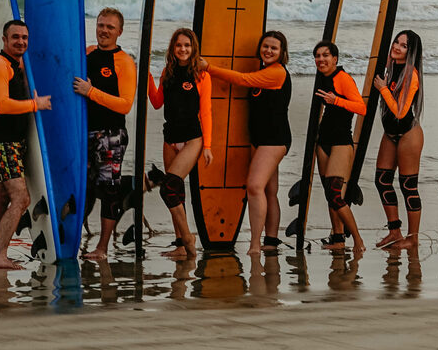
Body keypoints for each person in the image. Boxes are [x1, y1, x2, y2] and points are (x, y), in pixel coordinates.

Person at [200, 30, 293, 255]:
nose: (268, 50)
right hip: (260, 139)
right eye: (265, 46)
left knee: (254, 186)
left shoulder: (277, 73)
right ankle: (271, 240)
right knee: (269, 190)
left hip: (274, 139)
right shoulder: (264, 70)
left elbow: (243, 80)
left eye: (274, 48)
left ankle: (254, 245)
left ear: (282, 53)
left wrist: (208, 68)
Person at [0, 19, 52, 270]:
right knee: (21, 199)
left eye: (24, 37)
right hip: (4, 143)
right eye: (15, 37)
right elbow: (2, 105)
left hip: (14, 142)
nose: (20, 41)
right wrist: (36, 104)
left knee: (1, 199)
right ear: (4, 40)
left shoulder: (17, 65)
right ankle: (1, 256)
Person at [71, 7, 135, 260]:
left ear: (119, 31)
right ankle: (71, 240)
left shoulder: (125, 62)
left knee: (109, 190)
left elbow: (125, 104)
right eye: (100, 25)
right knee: (81, 188)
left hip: (112, 134)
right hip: (83, 132)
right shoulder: (86, 53)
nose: (104, 30)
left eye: (110, 27)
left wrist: (91, 91)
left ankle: (102, 248)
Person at [147, 27, 213, 259]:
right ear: (172, 48)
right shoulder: (168, 71)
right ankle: (181, 245)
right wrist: (146, 75)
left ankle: (188, 239)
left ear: (193, 48)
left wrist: (207, 146)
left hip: (192, 137)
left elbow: (206, 112)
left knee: (169, 187)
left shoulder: (201, 75)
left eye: (187, 45)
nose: (183, 49)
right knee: (176, 192)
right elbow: (156, 102)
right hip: (170, 136)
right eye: (178, 45)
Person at [310, 40, 368, 255]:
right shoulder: (322, 79)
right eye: (317, 56)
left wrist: (336, 101)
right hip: (323, 141)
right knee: (328, 194)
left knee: (336, 194)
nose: (321, 59)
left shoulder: (342, 78)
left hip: (341, 142)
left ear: (335, 58)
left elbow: (361, 108)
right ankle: (338, 238)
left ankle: (358, 241)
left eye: (326, 55)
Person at [372, 29, 425, 250]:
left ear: (411, 51)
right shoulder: (390, 65)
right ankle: (394, 231)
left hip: (408, 133)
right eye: (396, 42)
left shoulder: (411, 74)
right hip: (390, 133)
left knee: (407, 185)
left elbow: (401, 111)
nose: (397, 47)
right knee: (382, 180)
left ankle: (413, 238)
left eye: (404, 45)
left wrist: (383, 89)